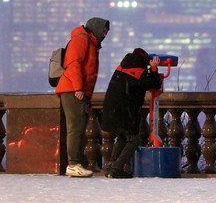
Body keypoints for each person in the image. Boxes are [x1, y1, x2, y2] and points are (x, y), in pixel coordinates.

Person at [55, 17, 109, 177]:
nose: (105, 34)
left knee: (79, 126)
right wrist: (78, 88)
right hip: (72, 89)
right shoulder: (81, 39)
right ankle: (73, 164)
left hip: (76, 90)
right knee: (75, 127)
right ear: (96, 28)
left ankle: (78, 162)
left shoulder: (90, 42)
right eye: (104, 30)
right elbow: (73, 64)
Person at [101, 48, 162, 179]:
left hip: (111, 108)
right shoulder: (139, 71)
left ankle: (111, 167)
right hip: (125, 111)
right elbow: (154, 84)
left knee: (123, 137)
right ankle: (116, 168)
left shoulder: (122, 67)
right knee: (134, 140)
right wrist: (154, 69)